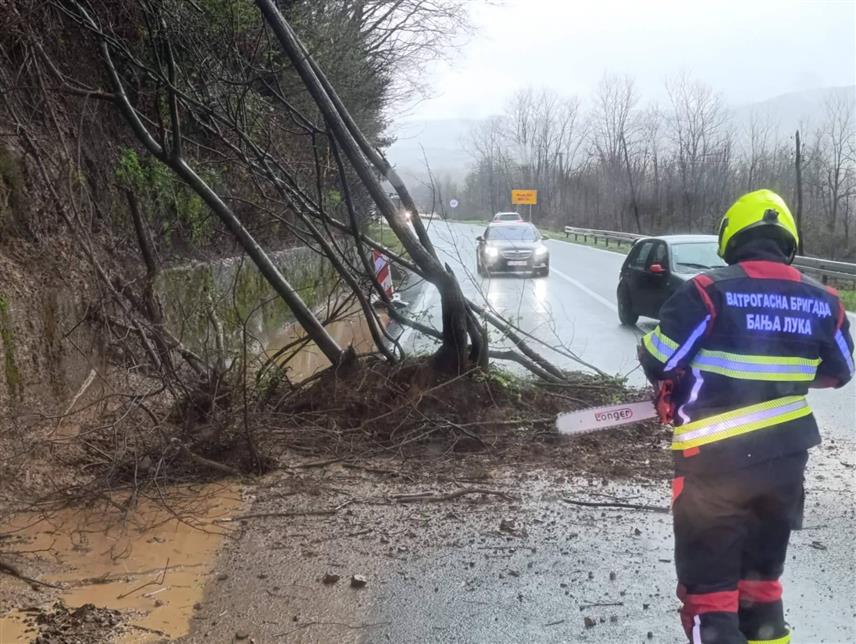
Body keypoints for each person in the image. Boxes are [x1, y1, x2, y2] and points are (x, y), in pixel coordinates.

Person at [637, 189, 854, 644]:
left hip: (714, 467)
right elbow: (841, 371)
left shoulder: (707, 291)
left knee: (710, 597)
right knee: (761, 590)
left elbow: (659, 356)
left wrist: (681, 382)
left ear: (731, 238)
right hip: (784, 469)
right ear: (788, 240)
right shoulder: (825, 301)